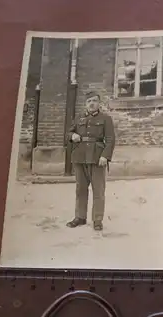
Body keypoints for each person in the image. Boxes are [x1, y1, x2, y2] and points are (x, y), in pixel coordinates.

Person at [65, 91, 116, 231]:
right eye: (89, 101)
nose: (91, 103)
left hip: (97, 158)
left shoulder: (106, 119)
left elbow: (110, 140)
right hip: (80, 157)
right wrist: (72, 135)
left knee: (98, 190)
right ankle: (80, 217)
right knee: (80, 189)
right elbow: (68, 133)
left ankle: (97, 219)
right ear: (85, 104)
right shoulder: (79, 118)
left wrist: (105, 156)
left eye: (94, 101)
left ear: (99, 103)